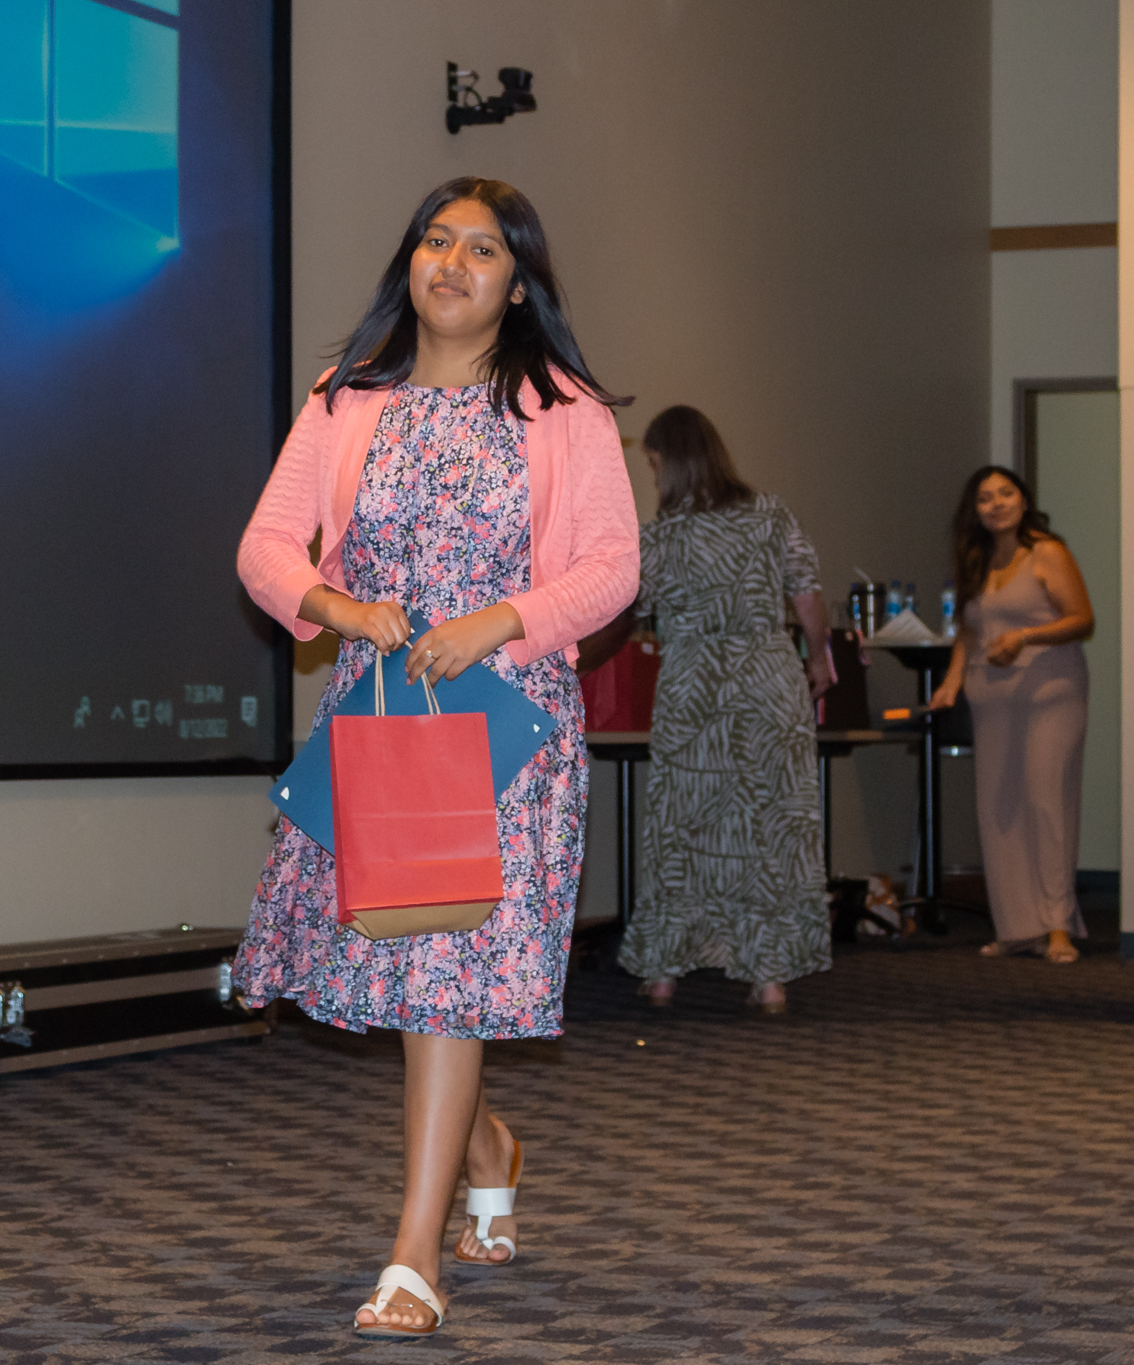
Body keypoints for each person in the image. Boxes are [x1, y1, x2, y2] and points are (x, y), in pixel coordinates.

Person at [232, 177, 638, 1338]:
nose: (451, 262)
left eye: (484, 249)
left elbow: (611, 567)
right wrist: (337, 606)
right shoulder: (346, 398)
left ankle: (413, 1254)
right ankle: (490, 1145)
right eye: (435, 239)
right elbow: (265, 543)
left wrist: (498, 621)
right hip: (383, 713)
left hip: (508, 725)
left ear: (520, 285)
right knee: (408, 970)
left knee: (445, 972)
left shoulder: (563, 408)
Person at [616, 405, 834, 1014]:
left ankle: (663, 972)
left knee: (681, 823)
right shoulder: (770, 516)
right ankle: (768, 978)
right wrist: (818, 660)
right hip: (767, 676)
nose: (655, 477)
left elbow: (630, 607)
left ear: (673, 463)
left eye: (656, 465)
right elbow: (809, 596)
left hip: (693, 683)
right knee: (770, 823)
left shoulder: (660, 535)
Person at [929, 466, 1095, 963]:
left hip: (1051, 691)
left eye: (1006, 493)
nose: (996, 503)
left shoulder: (1048, 551)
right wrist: (952, 681)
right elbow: (970, 630)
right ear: (974, 510)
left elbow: (1082, 619)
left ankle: (1057, 926)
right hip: (991, 695)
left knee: (1046, 800)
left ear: (1024, 501)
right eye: (985, 497)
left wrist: (1025, 637)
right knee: (998, 808)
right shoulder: (976, 560)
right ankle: (1017, 927)